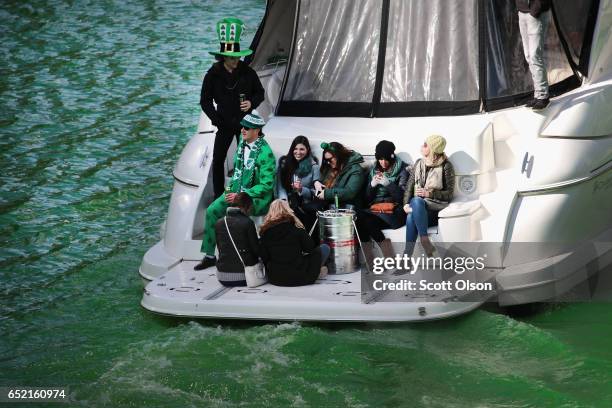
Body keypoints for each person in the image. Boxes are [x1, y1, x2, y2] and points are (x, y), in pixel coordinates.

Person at [195, 113, 275, 270]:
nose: (242, 130)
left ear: (257, 130)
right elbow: (237, 172)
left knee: (238, 213)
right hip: (236, 191)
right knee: (212, 210)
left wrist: (241, 196)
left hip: (256, 197)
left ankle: (241, 257)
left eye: (246, 128)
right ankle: (210, 255)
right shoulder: (241, 145)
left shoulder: (266, 153)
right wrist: (231, 192)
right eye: (242, 127)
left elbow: (267, 185)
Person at [200, 17, 265, 198]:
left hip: (245, 122)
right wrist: (216, 118)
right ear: (223, 57)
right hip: (224, 122)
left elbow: (260, 93)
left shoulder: (247, 72)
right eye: (231, 57)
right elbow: (205, 101)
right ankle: (218, 194)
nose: (236, 60)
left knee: (247, 158)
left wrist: (252, 102)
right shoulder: (212, 74)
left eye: (237, 57)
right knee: (218, 159)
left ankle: (246, 193)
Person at [356, 141, 409, 269]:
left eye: (386, 159)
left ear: (391, 156)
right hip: (376, 209)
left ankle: (384, 258)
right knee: (359, 218)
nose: (383, 162)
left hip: (394, 211)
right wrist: (372, 186)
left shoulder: (403, 169)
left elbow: (403, 197)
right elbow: (367, 199)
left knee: (365, 221)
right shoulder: (374, 170)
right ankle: (374, 259)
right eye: (380, 159)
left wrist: (388, 184)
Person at [403, 135, 455, 257]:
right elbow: (409, 186)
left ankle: (407, 258)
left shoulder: (446, 166)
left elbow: (449, 194)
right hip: (419, 209)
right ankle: (424, 240)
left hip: (433, 209)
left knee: (413, 211)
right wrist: (405, 203)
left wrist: (429, 193)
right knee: (415, 205)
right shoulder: (419, 163)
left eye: (425, 145)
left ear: (432, 149)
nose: (422, 146)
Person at [259, 200, 330, 286]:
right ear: (288, 210)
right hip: (301, 276)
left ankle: (317, 271)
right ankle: (317, 271)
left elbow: (265, 256)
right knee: (324, 248)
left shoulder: (265, 233)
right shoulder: (295, 228)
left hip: (276, 278)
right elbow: (310, 248)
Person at [275, 135, 320, 232]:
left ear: (307, 149)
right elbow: (280, 186)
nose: (298, 152)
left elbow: (316, 192)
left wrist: (301, 189)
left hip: (305, 208)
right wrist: (284, 202)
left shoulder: (314, 167)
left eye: (302, 149)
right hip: (286, 206)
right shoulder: (284, 163)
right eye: (295, 149)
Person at [214, 193, 259, 286]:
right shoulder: (248, 222)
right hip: (245, 276)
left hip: (222, 276)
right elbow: (256, 250)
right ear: (247, 206)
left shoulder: (219, 222)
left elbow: (219, 248)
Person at [516, 0, 552, 110]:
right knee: (528, 56)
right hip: (523, 12)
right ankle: (538, 95)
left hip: (536, 13)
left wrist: (536, 8)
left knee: (535, 56)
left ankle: (543, 96)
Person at [313, 142, 365, 209]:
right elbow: (324, 185)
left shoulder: (356, 170)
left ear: (339, 156)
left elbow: (350, 192)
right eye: (326, 160)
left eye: (330, 159)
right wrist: (317, 183)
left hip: (349, 209)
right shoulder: (332, 168)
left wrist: (326, 194)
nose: (328, 162)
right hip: (333, 204)